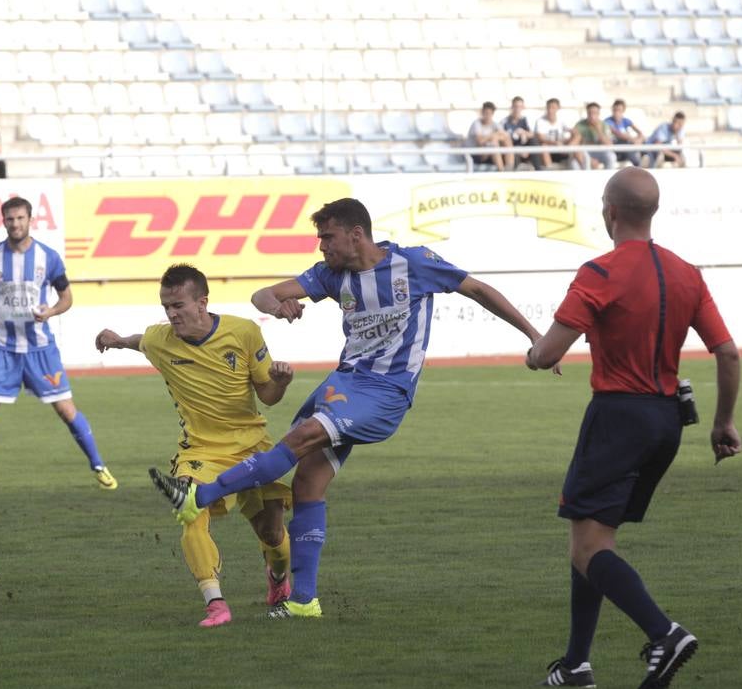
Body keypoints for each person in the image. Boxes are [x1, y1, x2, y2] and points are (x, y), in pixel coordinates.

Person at [149, 198, 549, 618]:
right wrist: (278, 306)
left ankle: (201, 495)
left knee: (299, 437)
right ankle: (303, 602)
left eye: (327, 237)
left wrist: (535, 336)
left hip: (385, 390)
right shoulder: (330, 274)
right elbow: (262, 294)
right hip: (344, 383)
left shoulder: (413, 264)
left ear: (356, 234)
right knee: (307, 483)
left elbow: (480, 290)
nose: (321, 246)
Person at [526, 167, 741, 689]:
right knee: (592, 538)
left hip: (618, 415)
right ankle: (576, 663)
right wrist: (723, 421)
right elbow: (728, 352)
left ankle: (663, 632)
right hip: (667, 420)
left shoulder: (600, 272)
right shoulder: (687, 273)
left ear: (610, 212)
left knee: (587, 548)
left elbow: (549, 351)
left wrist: (535, 354)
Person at [96, 265, 296, 627]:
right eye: (166, 307)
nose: (172, 314)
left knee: (271, 532)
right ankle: (215, 603)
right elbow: (142, 340)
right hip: (200, 451)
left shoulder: (244, 332)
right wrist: (116, 338)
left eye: (179, 306)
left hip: (252, 445)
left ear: (202, 302)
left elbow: (268, 396)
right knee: (191, 513)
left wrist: (280, 383)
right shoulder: (162, 339)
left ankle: (279, 581)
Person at [0, 196, 116, 493]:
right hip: (4, 347)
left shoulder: (47, 257)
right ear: (4, 221)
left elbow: (66, 298)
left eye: (20, 218)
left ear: (30, 219)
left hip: (40, 349)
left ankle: (98, 465)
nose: (15, 224)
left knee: (66, 409)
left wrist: (51, 312)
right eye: (10, 219)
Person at [466, 101, 513, 173]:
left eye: (489, 113)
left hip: (489, 153)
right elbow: (480, 142)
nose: (487, 116)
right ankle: (502, 172)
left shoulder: (495, 124)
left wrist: (495, 137)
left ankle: (510, 169)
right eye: (485, 113)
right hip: (476, 154)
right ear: (482, 112)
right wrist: (492, 136)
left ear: (492, 114)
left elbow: (506, 137)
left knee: (504, 142)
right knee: (493, 145)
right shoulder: (476, 124)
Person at [570, 102, 617, 171]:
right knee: (574, 163)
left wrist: (598, 130)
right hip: (584, 152)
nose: (592, 116)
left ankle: (609, 180)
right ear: (587, 113)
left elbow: (609, 145)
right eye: (590, 113)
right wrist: (590, 160)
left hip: (600, 151)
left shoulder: (604, 125)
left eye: (595, 113)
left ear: (598, 114)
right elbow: (574, 145)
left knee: (611, 156)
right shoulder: (579, 125)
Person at [532, 98, 572, 171]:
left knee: (574, 144)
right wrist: (555, 143)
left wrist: (564, 143)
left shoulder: (563, 119)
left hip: (561, 148)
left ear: (558, 108)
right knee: (544, 146)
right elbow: (541, 138)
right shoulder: (540, 121)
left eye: (553, 107)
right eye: (549, 107)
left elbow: (572, 133)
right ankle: (549, 170)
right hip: (548, 149)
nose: (550, 110)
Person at [604, 99, 645, 167]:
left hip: (627, 146)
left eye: (619, 110)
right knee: (632, 151)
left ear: (623, 111)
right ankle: (639, 168)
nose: (616, 112)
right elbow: (617, 133)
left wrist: (638, 141)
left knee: (642, 146)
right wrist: (632, 139)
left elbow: (640, 133)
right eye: (615, 110)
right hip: (616, 148)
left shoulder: (626, 121)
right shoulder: (608, 121)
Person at [501, 96, 534, 171]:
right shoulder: (504, 122)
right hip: (512, 150)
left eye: (519, 107)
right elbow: (503, 139)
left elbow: (532, 135)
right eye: (515, 106)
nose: (517, 109)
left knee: (534, 141)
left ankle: (538, 168)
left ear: (523, 107)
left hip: (525, 149)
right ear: (512, 107)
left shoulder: (526, 120)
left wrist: (523, 132)